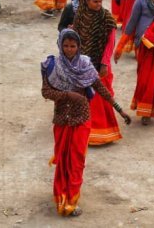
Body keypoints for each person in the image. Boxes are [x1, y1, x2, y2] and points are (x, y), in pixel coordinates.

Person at [41, 29, 130, 217]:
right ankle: (61, 196)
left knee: (77, 160)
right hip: (62, 119)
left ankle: (71, 201)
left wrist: (120, 110)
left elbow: (101, 88)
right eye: (65, 46)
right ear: (60, 46)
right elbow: (46, 92)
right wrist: (67, 95)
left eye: (73, 46)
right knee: (63, 159)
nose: (69, 50)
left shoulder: (86, 66)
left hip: (82, 118)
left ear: (79, 46)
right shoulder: (51, 66)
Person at [73, 0, 123, 145]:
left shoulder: (107, 18)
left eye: (100, 1)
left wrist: (104, 63)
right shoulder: (80, 16)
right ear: (86, 1)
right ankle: (85, 131)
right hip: (82, 64)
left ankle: (102, 132)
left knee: (99, 98)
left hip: (100, 65)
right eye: (95, 2)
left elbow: (110, 43)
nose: (99, 5)